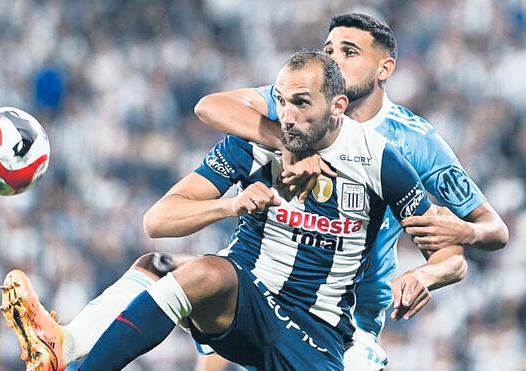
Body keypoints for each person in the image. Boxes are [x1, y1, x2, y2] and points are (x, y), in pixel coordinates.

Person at [68, 48, 466, 370]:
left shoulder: (380, 161)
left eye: (301, 103)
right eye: (281, 100)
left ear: (338, 106)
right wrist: (231, 205)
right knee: (198, 272)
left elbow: (450, 253)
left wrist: (425, 275)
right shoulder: (253, 141)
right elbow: (157, 220)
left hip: (317, 327)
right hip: (248, 296)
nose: (287, 116)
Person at [192, 13, 509, 370]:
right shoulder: (297, 103)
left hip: (352, 316)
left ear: (384, 69)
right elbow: (209, 106)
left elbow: (494, 230)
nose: (334, 61)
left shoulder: (415, 140)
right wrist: (290, 143)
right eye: (329, 50)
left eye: (349, 52)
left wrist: (462, 237)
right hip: (269, 290)